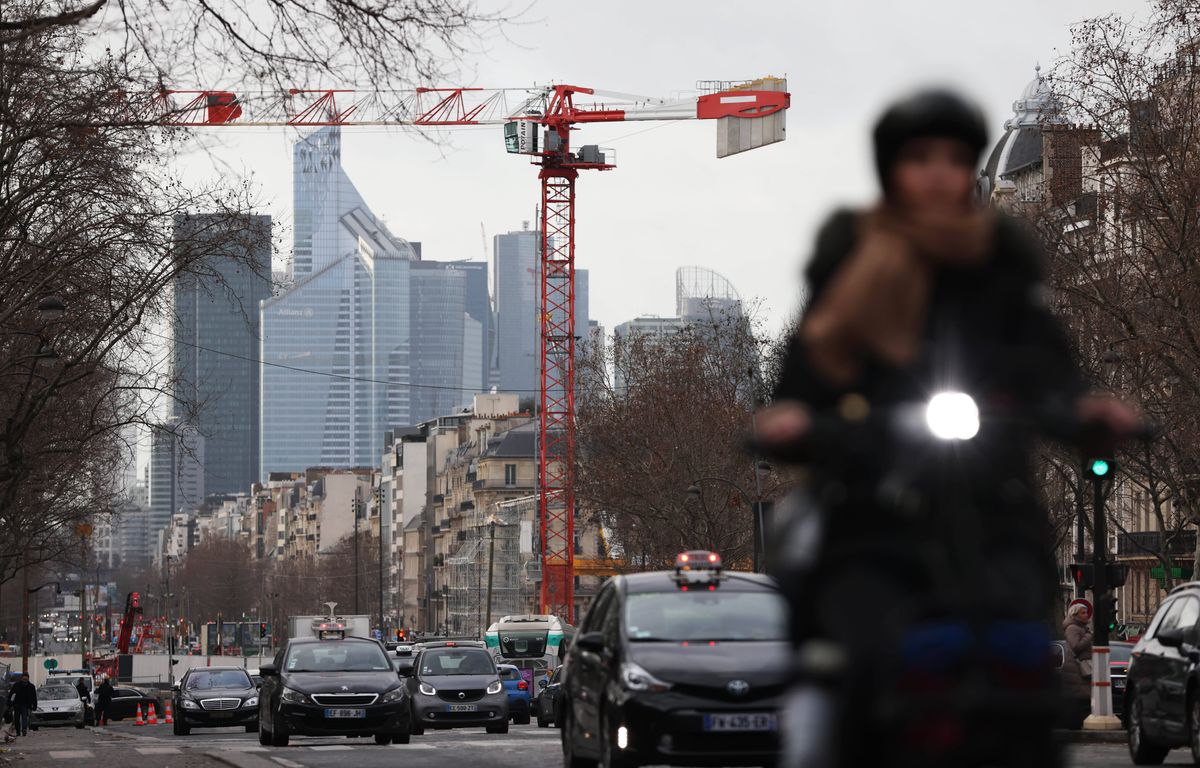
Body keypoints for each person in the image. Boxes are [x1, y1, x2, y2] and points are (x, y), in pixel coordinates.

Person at [758, 89, 1141, 768]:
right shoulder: (851, 257)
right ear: (891, 170)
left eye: (956, 158)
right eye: (920, 157)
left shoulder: (1001, 263)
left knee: (1024, 643)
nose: (939, 173)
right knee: (830, 644)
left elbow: (1048, 362)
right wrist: (792, 418)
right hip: (872, 500)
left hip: (989, 497)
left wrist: (1086, 410)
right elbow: (809, 368)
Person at [1064, 602, 1094, 679]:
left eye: (1086, 612)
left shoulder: (1082, 627)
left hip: (1083, 665)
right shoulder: (1072, 628)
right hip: (1078, 666)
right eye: (1083, 613)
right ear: (1075, 615)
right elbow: (1075, 646)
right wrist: (1088, 636)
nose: (1086, 615)